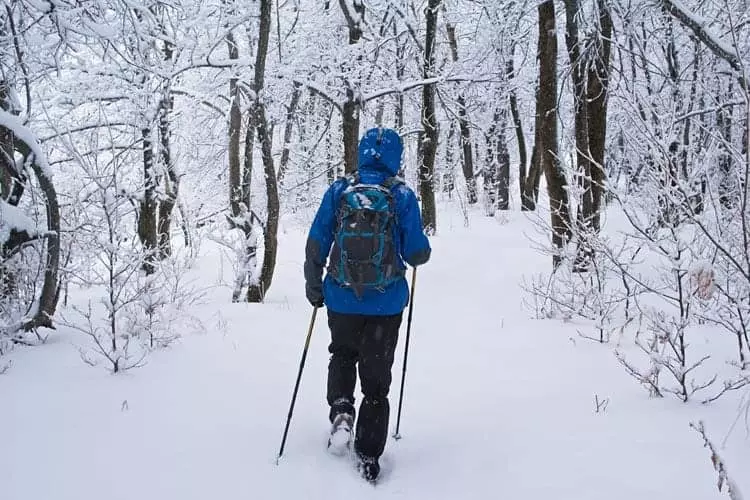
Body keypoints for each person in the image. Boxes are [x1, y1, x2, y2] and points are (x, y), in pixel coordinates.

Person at [304, 127, 431, 482]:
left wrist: (315, 288)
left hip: (341, 297)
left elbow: (316, 243)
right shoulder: (401, 195)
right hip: (385, 303)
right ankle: (369, 455)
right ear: (396, 157)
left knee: (342, 354)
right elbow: (416, 250)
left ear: (361, 153)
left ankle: (342, 409)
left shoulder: (340, 190)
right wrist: (421, 253)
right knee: (376, 381)